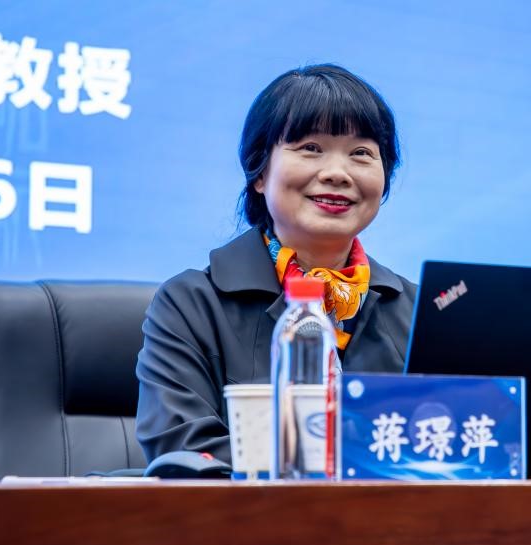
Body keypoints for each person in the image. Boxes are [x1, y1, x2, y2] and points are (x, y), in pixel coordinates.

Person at [135, 64, 417, 464]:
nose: (337, 173)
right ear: (259, 172)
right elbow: (184, 453)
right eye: (311, 148)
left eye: (361, 154)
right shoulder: (190, 304)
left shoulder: (417, 311)